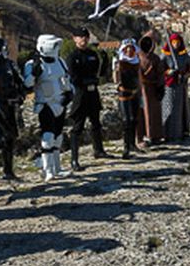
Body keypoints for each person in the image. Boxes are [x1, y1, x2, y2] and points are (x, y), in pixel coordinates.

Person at [24, 34, 72, 180]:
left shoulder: (61, 61)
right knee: (48, 135)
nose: (56, 48)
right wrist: (33, 74)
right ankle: (47, 169)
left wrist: (70, 94)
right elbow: (27, 85)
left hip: (60, 102)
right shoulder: (32, 64)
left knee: (58, 136)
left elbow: (66, 79)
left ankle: (57, 168)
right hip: (45, 103)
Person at [66, 26, 108, 171]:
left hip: (93, 93)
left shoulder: (92, 54)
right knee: (78, 127)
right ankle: (74, 159)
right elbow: (73, 76)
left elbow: (100, 73)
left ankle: (99, 150)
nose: (83, 39)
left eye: (85, 36)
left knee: (96, 123)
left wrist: (105, 59)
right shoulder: (72, 56)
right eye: (79, 36)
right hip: (81, 93)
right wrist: (85, 82)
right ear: (74, 39)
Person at [0, 36, 25, 180]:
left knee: (10, 137)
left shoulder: (9, 64)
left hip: (10, 105)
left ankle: (8, 170)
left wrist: (20, 95)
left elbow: (19, 81)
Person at [113, 38, 142, 158]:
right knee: (127, 120)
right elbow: (116, 76)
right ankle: (126, 148)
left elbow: (139, 76)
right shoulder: (120, 62)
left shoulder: (136, 61)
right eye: (127, 48)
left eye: (131, 48)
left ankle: (132, 144)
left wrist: (139, 89)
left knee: (134, 118)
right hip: (124, 93)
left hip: (135, 92)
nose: (129, 50)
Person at [136, 34, 165, 147]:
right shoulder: (137, 58)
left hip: (153, 89)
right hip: (141, 88)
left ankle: (155, 135)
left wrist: (160, 86)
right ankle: (141, 137)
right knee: (141, 113)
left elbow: (160, 73)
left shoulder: (155, 58)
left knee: (155, 113)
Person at [160, 32, 190, 141]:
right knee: (169, 109)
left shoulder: (184, 56)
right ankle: (166, 133)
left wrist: (186, 74)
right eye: (174, 42)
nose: (176, 44)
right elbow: (160, 69)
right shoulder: (165, 56)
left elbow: (188, 69)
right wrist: (168, 72)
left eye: (178, 42)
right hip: (169, 85)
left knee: (179, 110)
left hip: (180, 84)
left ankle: (179, 133)